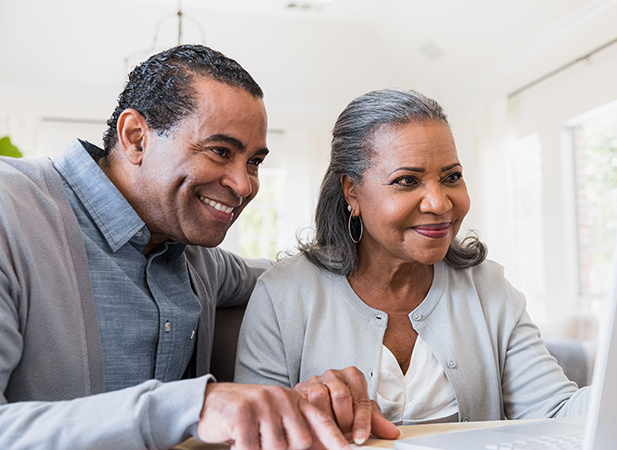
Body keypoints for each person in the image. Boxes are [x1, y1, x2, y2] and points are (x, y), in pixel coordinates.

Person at [0, 45, 397, 449]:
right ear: (136, 138)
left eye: (254, 162)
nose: (244, 186)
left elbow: (287, 277)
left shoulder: (197, 260)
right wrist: (194, 405)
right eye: (220, 151)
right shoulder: (9, 212)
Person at [235, 88, 591, 425]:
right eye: (407, 180)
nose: (439, 203)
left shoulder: (489, 288)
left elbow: (557, 411)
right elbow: (258, 432)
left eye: (452, 176)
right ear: (352, 191)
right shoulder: (282, 296)